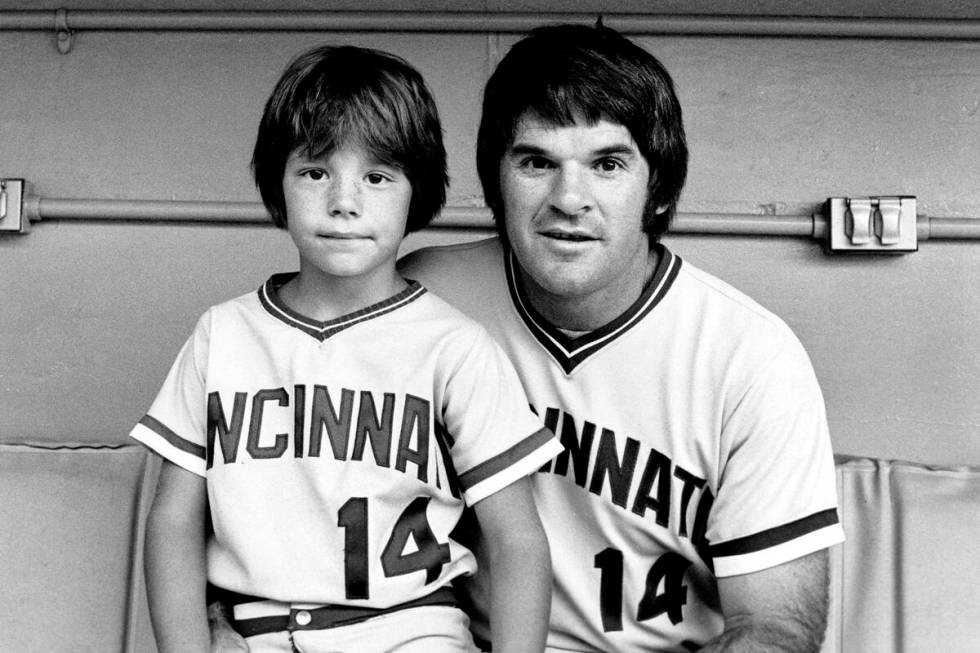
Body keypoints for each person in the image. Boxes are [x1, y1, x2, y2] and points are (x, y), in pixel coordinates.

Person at [212, 23, 845, 653]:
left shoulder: (750, 357)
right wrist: (218, 626)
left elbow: (776, 628)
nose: (570, 199)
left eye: (608, 164)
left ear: (659, 188)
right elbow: (278, 483)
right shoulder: (421, 301)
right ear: (495, 182)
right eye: (537, 162)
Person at [132, 44, 562, 653]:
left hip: (410, 628)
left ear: (419, 192)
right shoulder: (222, 335)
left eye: (378, 177)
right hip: (255, 632)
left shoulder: (454, 348)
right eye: (315, 172)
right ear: (277, 183)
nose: (344, 200)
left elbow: (516, 541)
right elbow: (173, 521)